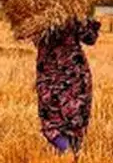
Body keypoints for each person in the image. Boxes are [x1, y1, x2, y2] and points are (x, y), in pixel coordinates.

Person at [34, 16, 101, 154]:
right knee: (73, 120)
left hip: (54, 71)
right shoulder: (72, 7)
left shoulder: (36, 7)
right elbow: (90, 37)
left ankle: (68, 158)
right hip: (70, 71)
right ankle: (70, 154)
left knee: (55, 121)